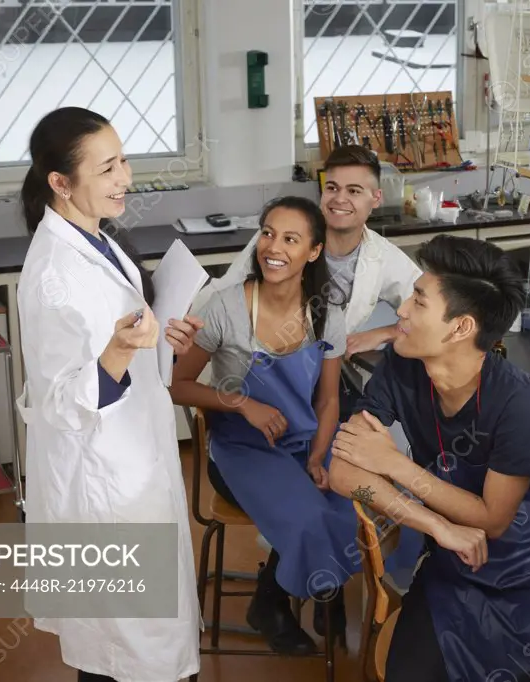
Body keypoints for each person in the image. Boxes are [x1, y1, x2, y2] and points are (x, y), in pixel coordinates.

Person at [327, 234, 530, 682]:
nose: (401, 312)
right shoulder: (401, 367)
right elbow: (342, 468)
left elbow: (492, 520)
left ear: (460, 328)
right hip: (453, 561)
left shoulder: (517, 399)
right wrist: (436, 525)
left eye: (418, 302)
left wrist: (395, 464)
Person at [15, 107, 202, 682]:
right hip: (103, 480)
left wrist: (161, 336)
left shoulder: (95, 238)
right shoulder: (52, 274)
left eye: (123, 161)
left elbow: (118, 338)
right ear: (61, 182)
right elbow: (57, 403)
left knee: (139, 643)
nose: (125, 178)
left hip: (134, 463)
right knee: (128, 651)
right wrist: (121, 353)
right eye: (107, 168)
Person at [169, 196, 358, 655]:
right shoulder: (225, 308)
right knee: (311, 513)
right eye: (268, 233)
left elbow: (329, 399)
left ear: (313, 252)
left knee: (355, 497)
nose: (273, 247)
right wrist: (240, 402)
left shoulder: (325, 312)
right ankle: (273, 604)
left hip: (305, 440)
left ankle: (318, 585)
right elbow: (176, 384)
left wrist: (317, 454)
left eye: (291, 239)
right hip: (241, 451)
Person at [207, 145, 422, 413]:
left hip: (326, 380)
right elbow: (221, 291)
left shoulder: (383, 257)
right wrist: (182, 330)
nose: (339, 199)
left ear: (376, 198)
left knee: (349, 438)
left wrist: (387, 332)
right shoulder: (279, 240)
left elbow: (432, 307)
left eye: (354, 191)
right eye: (332, 188)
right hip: (259, 380)